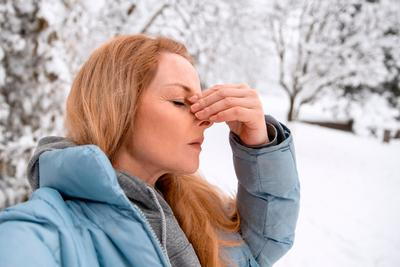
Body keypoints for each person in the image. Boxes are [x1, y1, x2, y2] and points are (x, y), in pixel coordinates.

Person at [0, 34, 300, 267]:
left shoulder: (192, 206)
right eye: (181, 102)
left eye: (202, 102)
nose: (205, 120)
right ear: (118, 107)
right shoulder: (46, 232)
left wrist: (258, 143)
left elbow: (259, 246)